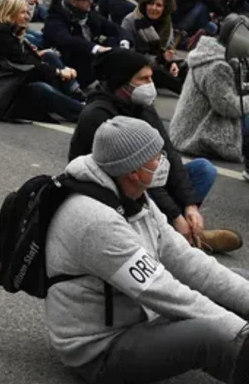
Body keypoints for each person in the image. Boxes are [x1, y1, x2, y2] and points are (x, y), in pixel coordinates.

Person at [45, 116, 249, 384]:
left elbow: (188, 262)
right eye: (156, 156)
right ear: (132, 170)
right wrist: (242, 333)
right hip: (101, 349)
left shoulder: (133, 194)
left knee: (237, 279)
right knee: (211, 336)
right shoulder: (95, 221)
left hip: (139, 314)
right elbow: (163, 291)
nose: (164, 161)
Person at [69, 49, 238, 254]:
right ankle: (174, 238)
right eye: (144, 79)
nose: (151, 84)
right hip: (112, 190)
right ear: (122, 81)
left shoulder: (141, 105)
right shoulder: (98, 115)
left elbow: (169, 154)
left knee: (203, 170)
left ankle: (179, 234)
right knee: (146, 179)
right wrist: (176, 215)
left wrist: (190, 206)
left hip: (143, 178)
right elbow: (137, 175)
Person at [0, 0, 84, 122]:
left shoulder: (12, 32)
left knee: (49, 56)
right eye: (22, 12)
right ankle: (83, 113)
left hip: (12, 82)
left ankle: (77, 97)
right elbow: (27, 64)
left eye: (27, 12)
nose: (27, 16)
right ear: (10, 14)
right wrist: (59, 72)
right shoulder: (1, 36)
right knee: (40, 88)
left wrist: (59, 67)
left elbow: (30, 59)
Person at [169, 15, 249, 178]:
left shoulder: (212, 55)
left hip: (186, 129)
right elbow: (230, 107)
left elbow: (232, 89)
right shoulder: (217, 66)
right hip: (197, 135)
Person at [42, 0, 130, 89]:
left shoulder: (89, 13)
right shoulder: (54, 19)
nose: (91, 2)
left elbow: (114, 28)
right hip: (69, 64)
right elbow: (66, 39)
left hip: (90, 58)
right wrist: (94, 48)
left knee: (114, 41)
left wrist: (124, 42)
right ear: (74, 2)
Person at [122, 0, 186, 95]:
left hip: (159, 61)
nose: (154, 8)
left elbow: (168, 48)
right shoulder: (131, 20)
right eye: (150, 4)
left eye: (159, 5)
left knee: (185, 66)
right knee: (157, 71)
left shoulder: (166, 22)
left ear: (165, 8)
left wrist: (172, 62)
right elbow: (128, 54)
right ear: (144, 5)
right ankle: (185, 92)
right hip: (138, 66)